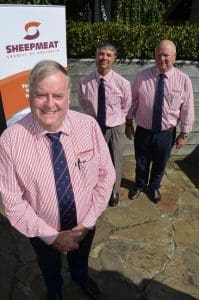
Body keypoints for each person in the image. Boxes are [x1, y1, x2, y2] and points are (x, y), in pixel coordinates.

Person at [0, 60, 116, 300]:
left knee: (81, 258)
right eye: (41, 95)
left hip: (85, 224)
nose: (50, 104)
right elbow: (12, 201)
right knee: (49, 266)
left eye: (58, 95)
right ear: (29, 94)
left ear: (68, 95)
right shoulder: (10, 140)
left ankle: (81, 278)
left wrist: (87, 223)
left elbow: (106, 175)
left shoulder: (89, 126)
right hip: (41, 232)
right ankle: (55, 290)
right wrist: (52, 237)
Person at [125, 39, 195, 203]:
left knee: (160, 163)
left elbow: (187, 108)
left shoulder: (183, 80)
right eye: (158, 55)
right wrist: (128, 124)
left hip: (166, 133)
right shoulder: (142, 76)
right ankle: (140, 185)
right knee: (141, 162)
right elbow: (132, 101)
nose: (162, 59)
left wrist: (184, 134)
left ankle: (154, 187)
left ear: (174, 56)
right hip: (143, 131)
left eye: (166, 55)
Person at [78, 41, 132, 207]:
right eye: (101, 54)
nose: (104, 58)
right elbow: (84, 104)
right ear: (96, 56)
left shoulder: (122, 83)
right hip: (93, 128)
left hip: (115, 128)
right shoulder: (85, 82)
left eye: (109, 55)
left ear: (114, 58)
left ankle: (113, 191)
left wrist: (117, 121)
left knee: (115, 160)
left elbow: (127, 106)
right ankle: (95, 188)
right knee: (94, 160)